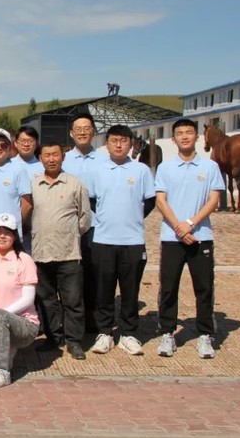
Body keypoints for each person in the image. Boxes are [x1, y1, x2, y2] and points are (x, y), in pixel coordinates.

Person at [154, 118, 224, 359]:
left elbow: (213, 200)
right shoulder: (165, 168)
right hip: (172, 237)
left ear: (197, 137)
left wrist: (191, 224)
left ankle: (205, 335)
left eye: (189, 132)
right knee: (168, 287)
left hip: (201, 236)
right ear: (173, 139)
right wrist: (178, 227)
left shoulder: (210, 167)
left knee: (204, 287)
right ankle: (167, 332)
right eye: (180, 133)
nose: (184, 136)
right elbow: (160, 200)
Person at [87, 125, 155, 357]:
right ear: (106, 144)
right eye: (114, 140)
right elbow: (92, 200)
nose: (118, 144)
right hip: (103, 239)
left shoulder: (141, 170)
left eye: (123, 140)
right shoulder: (97, 170)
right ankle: (104, 333)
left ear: (131, 143)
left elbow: (150, 201)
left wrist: (132, 217)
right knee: (104, 290)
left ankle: (129, 334)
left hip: (133, 241)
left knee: (130, 291)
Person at [31, 142, 91, 360]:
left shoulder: (74, 184)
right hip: (41, 252)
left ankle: (74, 341)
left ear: (62, 157)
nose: (51, 159)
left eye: (55, 154)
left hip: (68, 253)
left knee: (72, 301)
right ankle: (53, 338)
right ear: (40, 158)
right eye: (46, 155)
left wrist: (69, 235)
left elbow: (84, 219)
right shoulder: (33, 184)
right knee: (46, 300)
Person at [0, 213, 40, 388]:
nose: (2, 236)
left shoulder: (24, 260)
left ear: (15, 236)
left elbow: (28, 299)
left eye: (7, 232)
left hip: (23, 324)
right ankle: (2, 353)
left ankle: (2, 371)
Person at [62, 112, 108, 333]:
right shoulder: (63, 159)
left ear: (93, 132)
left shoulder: (104, 159)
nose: (82, 132)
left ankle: (92, 318)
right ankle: (70, 319)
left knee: (93, 273)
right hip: (68, 226)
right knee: (70, 275)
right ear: (71, 133)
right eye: (78, 129)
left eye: (86, 128)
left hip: (96, 225)